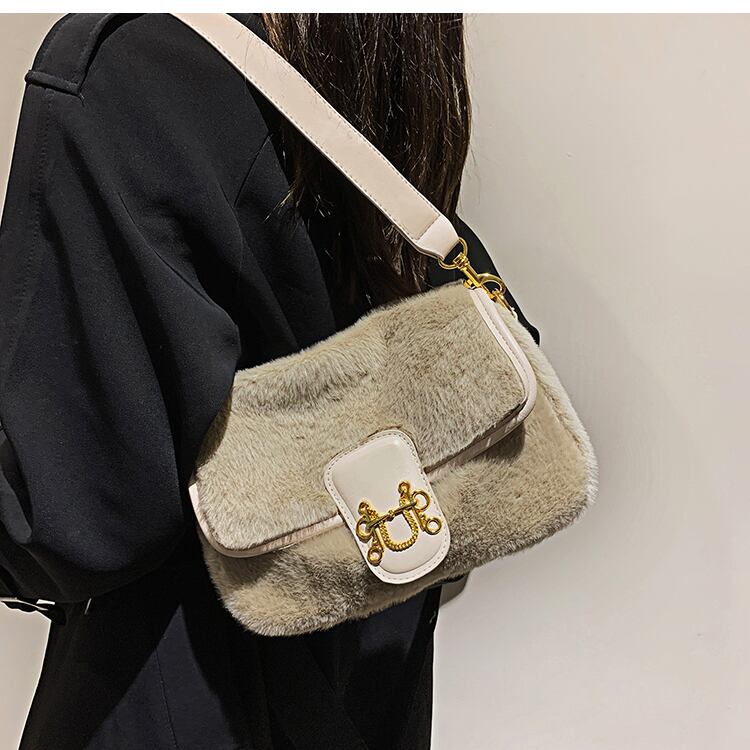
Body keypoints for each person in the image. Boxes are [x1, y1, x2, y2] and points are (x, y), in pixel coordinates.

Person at [0, 13, 537, 749]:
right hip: (371, 692)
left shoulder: (130, 64)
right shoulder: (387, 40)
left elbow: (70, 512)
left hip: (172, 696)